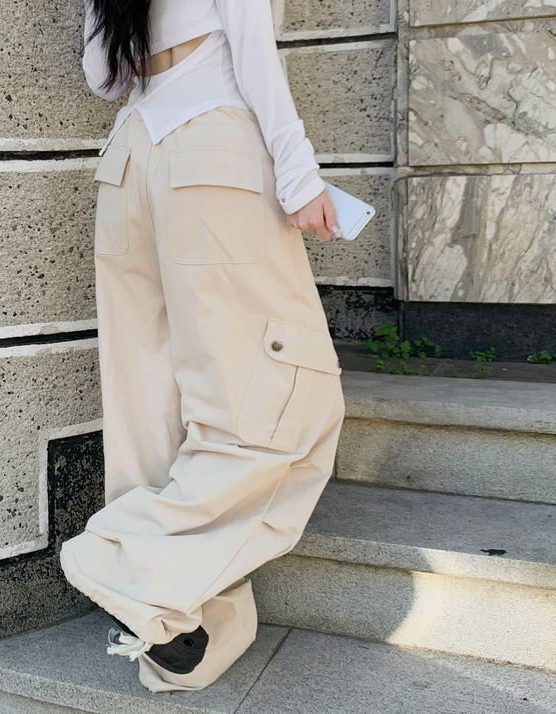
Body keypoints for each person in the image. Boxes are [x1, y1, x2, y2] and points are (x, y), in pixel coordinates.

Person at [59, 0, 346, 693]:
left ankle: (177, 627)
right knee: (283, 403)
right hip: (208, 148)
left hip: (128, 162)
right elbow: (253, 50)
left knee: (148, 406)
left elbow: (103, 75)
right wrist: (299, 174)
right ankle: (118, 562)